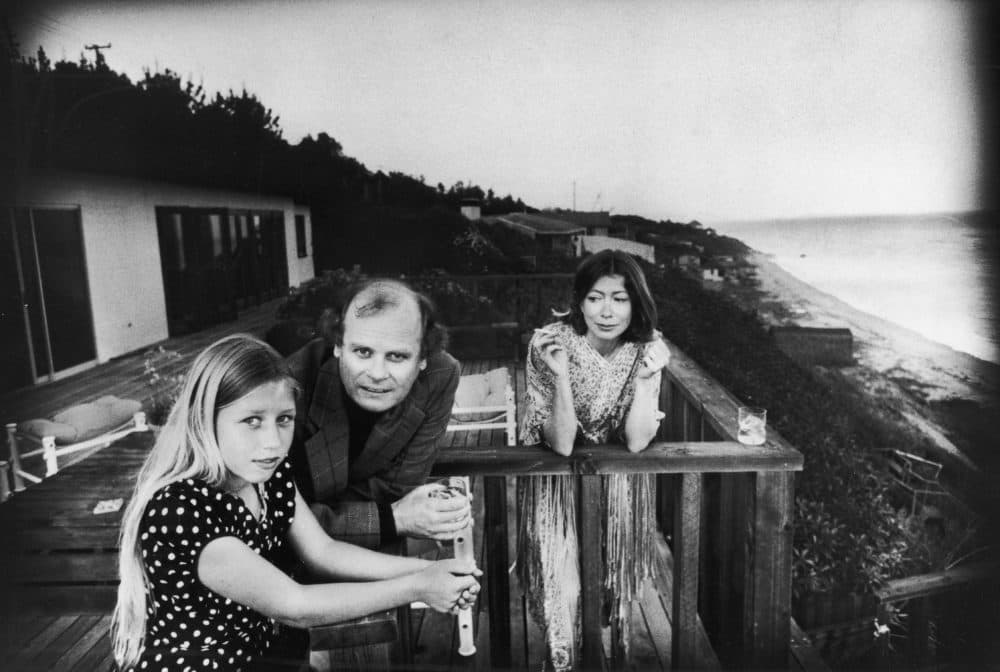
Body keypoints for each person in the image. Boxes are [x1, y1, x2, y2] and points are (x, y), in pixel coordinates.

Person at [111, 334, 480, 672]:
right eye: (252, 421)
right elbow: (294, 604)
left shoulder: (267, 475)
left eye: (284, 419)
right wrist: (418, 587)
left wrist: (427, 570)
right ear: (206, 420)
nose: (273, 442)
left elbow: (324, 551)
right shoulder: (183, 509)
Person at [518, 250, 670, 670]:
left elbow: (638, 441)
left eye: (620, 299)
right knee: (562, 594)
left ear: (635, 303)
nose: (607, 311)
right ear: (578, 301)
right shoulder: (548, 343)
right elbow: (562, 443)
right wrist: (562, 376)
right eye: (595, 297)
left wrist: (645, 380)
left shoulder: (647, 348)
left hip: (616, 488)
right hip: (558, 486)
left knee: (609, 594)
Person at [286, 278, 468, 550]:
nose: (377, 373)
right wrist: (391, 518)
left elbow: (398, 488)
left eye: (397, 357)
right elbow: (276, 516)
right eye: (362, 351)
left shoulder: (440, 375)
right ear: (337, 345)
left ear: (423, 359)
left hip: (374, 550)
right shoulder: (290, 385)